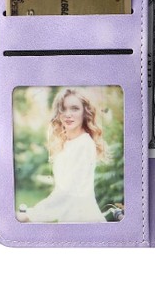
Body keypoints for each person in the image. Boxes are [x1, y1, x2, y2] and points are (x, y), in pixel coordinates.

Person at [17, 88, 106, 223]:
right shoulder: (66, 144)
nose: (68, 114)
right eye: (63, 109)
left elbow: (68, 193)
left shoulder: (84, 144)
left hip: (83, 220)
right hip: (68, 218)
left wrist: (31, 215)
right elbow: (61, 189)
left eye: (75, 108)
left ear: (85, 112)